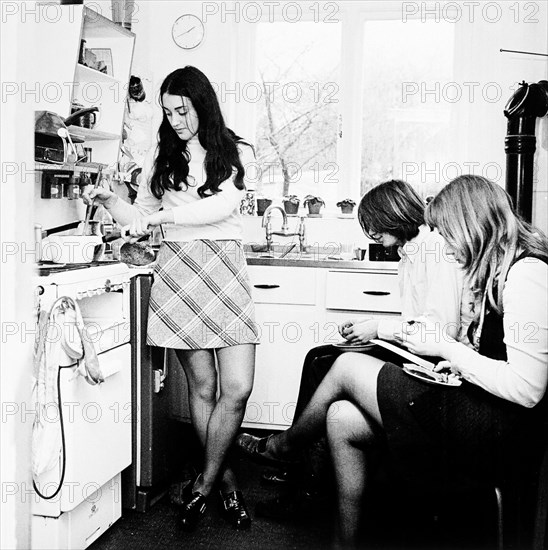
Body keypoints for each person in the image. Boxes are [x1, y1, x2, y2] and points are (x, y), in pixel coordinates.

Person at [239, 175, 548, 548]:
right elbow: (484, 354)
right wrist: (460, 360)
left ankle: (284, 448)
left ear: (472, 225)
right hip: (480, 407)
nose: (446, 248)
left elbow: (529, 390)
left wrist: (452, 352)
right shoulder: (498, 270)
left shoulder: (527, 274)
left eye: (448, 234)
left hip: (500, 434)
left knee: (346, 367)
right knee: (340, 417)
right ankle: (343, 542)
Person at [83, 66, 259, 531]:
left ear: (204, 103)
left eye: (183, 110)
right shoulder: (163, 155)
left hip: (224, 268)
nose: (176, 119)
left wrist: (164, 222)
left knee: (237, 388)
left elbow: (223, 205)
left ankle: (202, 483)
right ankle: (226, 485)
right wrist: (109, 202)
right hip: (179, 273)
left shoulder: (236, 151)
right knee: (203, 390)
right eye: (167, 111)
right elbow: (140, 216)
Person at [244, 179, 472, 517]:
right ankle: (299, 472)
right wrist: (372, 331)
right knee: (318, 357)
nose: (371, 233)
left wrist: (377, 330)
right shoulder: (411, 253)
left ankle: (297, 471)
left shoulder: (433, 250)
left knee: (325, 362)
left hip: (435, 363)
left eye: (375, 224)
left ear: (394, 214)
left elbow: (440, 331)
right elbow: (416, 321)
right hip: (419, 351)